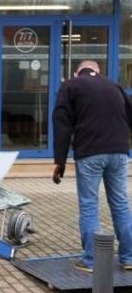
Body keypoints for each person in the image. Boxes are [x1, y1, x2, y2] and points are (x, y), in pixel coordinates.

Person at [53, 60, 132, 272]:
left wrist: (60, 161)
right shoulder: (114, 86)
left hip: (90, 153)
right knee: (121, 203)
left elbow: (62, 123)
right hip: (119, 152)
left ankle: (91, 260)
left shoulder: (71, 85)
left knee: (89, 204)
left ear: (77, 72)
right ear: (98, 71)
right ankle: (129, 257)